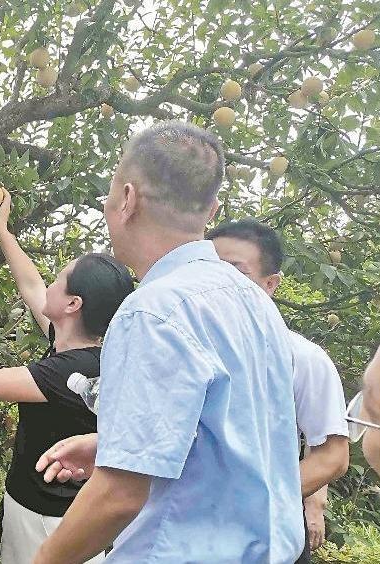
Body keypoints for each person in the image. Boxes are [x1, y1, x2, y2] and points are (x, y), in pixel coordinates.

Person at [32, 122, 304, 563]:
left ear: (127, 200)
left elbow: (119, 495)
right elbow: (237, 431)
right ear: (211, 208)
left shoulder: (153, 312)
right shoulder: (253, 299)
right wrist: (113, 444)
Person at [0, 189, 133, 563]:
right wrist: (2, 228)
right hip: (40, 505)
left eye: (60, 278)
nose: (49, 283)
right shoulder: (76, 345)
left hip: (48, 516)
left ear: (72, 304)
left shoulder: (71, 370)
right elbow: (30, 284)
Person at [207, 219, 349, 560]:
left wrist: (255, 502)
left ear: (270, 284)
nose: (216, 284)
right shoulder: (183, 349)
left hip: (267, 538)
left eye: (234, 272)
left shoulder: (300, 356)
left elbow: (332, 455)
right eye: (208, 271)